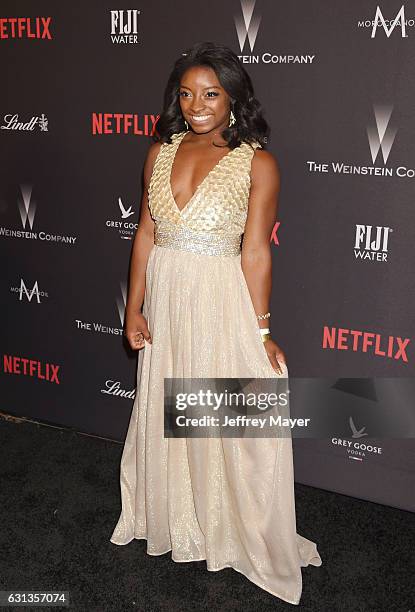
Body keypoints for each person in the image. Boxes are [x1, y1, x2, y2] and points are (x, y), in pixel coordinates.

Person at [110, 41, 322, 605]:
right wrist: (134, 306)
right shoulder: (159, 151)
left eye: (210, 94)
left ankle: (234, 526)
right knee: (169, 407)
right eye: (186, 94)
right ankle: (178, 519)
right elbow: (147, 235)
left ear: (233, 97)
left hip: (219, 300)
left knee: (227, 416)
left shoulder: (258, 162)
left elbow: (255, 252)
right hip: (168, 297)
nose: (196, 104)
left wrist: (262, 331)